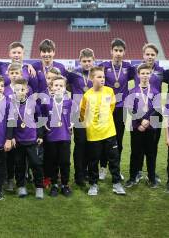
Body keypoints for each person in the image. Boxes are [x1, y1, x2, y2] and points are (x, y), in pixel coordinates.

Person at [80, 66, 126, 196]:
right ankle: (93, 184)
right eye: (99, 77)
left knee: (114, 159)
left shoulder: (109, 91)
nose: (102, 79)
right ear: (91, 78)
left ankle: (116, 183)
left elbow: (111, 107)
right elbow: (83, 113)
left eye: (103, 77)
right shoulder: (87, 95)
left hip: (109, 132)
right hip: (93, 134)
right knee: (93, 161)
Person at [98, 38, 134, 180]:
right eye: (116, 50)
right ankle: (102, 167)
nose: (118, 53)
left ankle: (116, 169)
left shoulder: (128, 67)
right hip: (106, 108)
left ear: (124, 52)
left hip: (122, 109)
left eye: (120, 51)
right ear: (111, 51)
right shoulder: (104, 66)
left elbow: (141, 75)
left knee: (118, 140)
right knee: (104, 138)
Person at [6, 78, 45, 199]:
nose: (20, 92)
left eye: (22, 89)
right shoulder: (12, 105)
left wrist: (40, 135)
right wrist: (11, 137)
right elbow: (10, 122)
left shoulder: (33, 103)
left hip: (32, 140)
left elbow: (39, 119)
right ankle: (21, 186)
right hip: (18, 141)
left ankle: (39, 187)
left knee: (36, 163)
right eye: (17, 90)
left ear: (27, 90)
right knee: (19, 165)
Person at [125, 63, 161, 189]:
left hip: (151, 127)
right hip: (136, 127)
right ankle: (132, 177)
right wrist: (140, 122)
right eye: (143, 73)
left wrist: (148, 121)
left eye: (147, 73)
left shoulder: (155, 91)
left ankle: (151, 178)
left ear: (150, 75)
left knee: (151, 153)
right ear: (138, 75)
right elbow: (130, 110)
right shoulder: (132, 91)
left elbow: (157, 109)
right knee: (135, 153)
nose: (145, 75)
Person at [133, 43, 164, 183]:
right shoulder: (136, 69)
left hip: (155, 112)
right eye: (147, 54)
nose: (150, 56)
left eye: (152, 54)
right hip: (139, 113)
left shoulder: (162, 71)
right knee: (137, 146)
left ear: (156, 56)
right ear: (143, 55)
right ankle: (138, 171)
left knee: (153, 144)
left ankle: (152, 172)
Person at [67, 48, 95, 186]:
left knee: (91, 145)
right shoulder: (73, 73)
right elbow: (65, 84)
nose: (87, 63)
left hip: (93, 115)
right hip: (78, 115)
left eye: (89, 61)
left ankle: (87, 173)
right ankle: (79, 176)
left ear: (93, 60)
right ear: (80, 61)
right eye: (84, 61)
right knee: (80, 144)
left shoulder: (96, 74)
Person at [42, 75, 73, 197]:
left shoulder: (69, 102)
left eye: (61, 85)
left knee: (65, 162)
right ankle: (54, 184)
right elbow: (42, 115)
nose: (59, 87)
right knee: (52, 161)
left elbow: (74, 115)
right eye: (56, 85)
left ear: (65, 88)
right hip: (51, 137)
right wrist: (44, 124)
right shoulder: (47, 102)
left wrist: (72, 124)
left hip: (65, 136)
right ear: (51, 87)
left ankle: (65, 185)